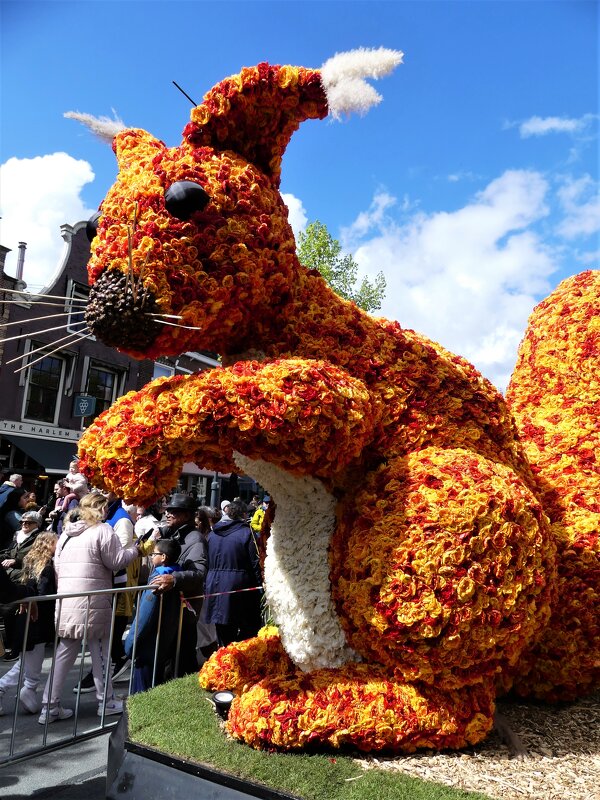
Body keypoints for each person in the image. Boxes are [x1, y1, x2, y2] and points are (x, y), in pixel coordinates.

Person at [39, 493, 141, 724]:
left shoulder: (65, 534)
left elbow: (58, 568)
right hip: (94, 600)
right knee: (101, 653)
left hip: (68, 599)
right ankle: (106, 701)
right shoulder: (103, 530)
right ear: (101, 509)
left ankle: (49, 706)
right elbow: (116, 561)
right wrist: (135, 550)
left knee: (64, 653)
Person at [0, 532, 58, 716]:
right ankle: (11, 688)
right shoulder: (47, 568)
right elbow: (43, 594)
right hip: (37, 619)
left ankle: (29, 690)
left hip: (27, 617)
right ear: (48, 545)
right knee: (31, 659)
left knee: (30, 659)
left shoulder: (30, 562)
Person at [150, 493, 207, 676]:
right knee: (169, 657)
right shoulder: (174, 533)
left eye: (173, 511)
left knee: (181, 659)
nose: (168, 514)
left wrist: (174, 579)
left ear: (186, 515)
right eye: (167, 511)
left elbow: (199, 573)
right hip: (172, 608)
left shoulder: (195, 539)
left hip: (185, 609)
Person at [203, 498, 263, 648]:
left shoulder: (212, 534)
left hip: (216, 586)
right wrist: (260, 587)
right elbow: (255, 562)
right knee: (248, 631)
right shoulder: (246, 533)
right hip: (241, 587)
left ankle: (226, 664)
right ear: (243, 515)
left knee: (224, 632)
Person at [124, 538, 182, 693]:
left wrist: (130, 645)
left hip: (147, 648)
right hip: (162, 644)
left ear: (163, 557)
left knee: (141, 691)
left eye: (154, 553)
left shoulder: (158, 581)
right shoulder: (176, 575)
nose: (150, 556)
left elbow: (144, 618)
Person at [1, 510, 44, 661]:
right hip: (9, 576)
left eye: (28, 522)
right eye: (22, 522)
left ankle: (16, 646)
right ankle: (11, 643)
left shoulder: (40, 537)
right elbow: (9, 552)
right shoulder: (17, 535)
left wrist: (16, 561)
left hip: (25, 577)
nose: (24, 524)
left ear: (37, 524)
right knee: (7, 610)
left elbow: (37, 556)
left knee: (13, 610)